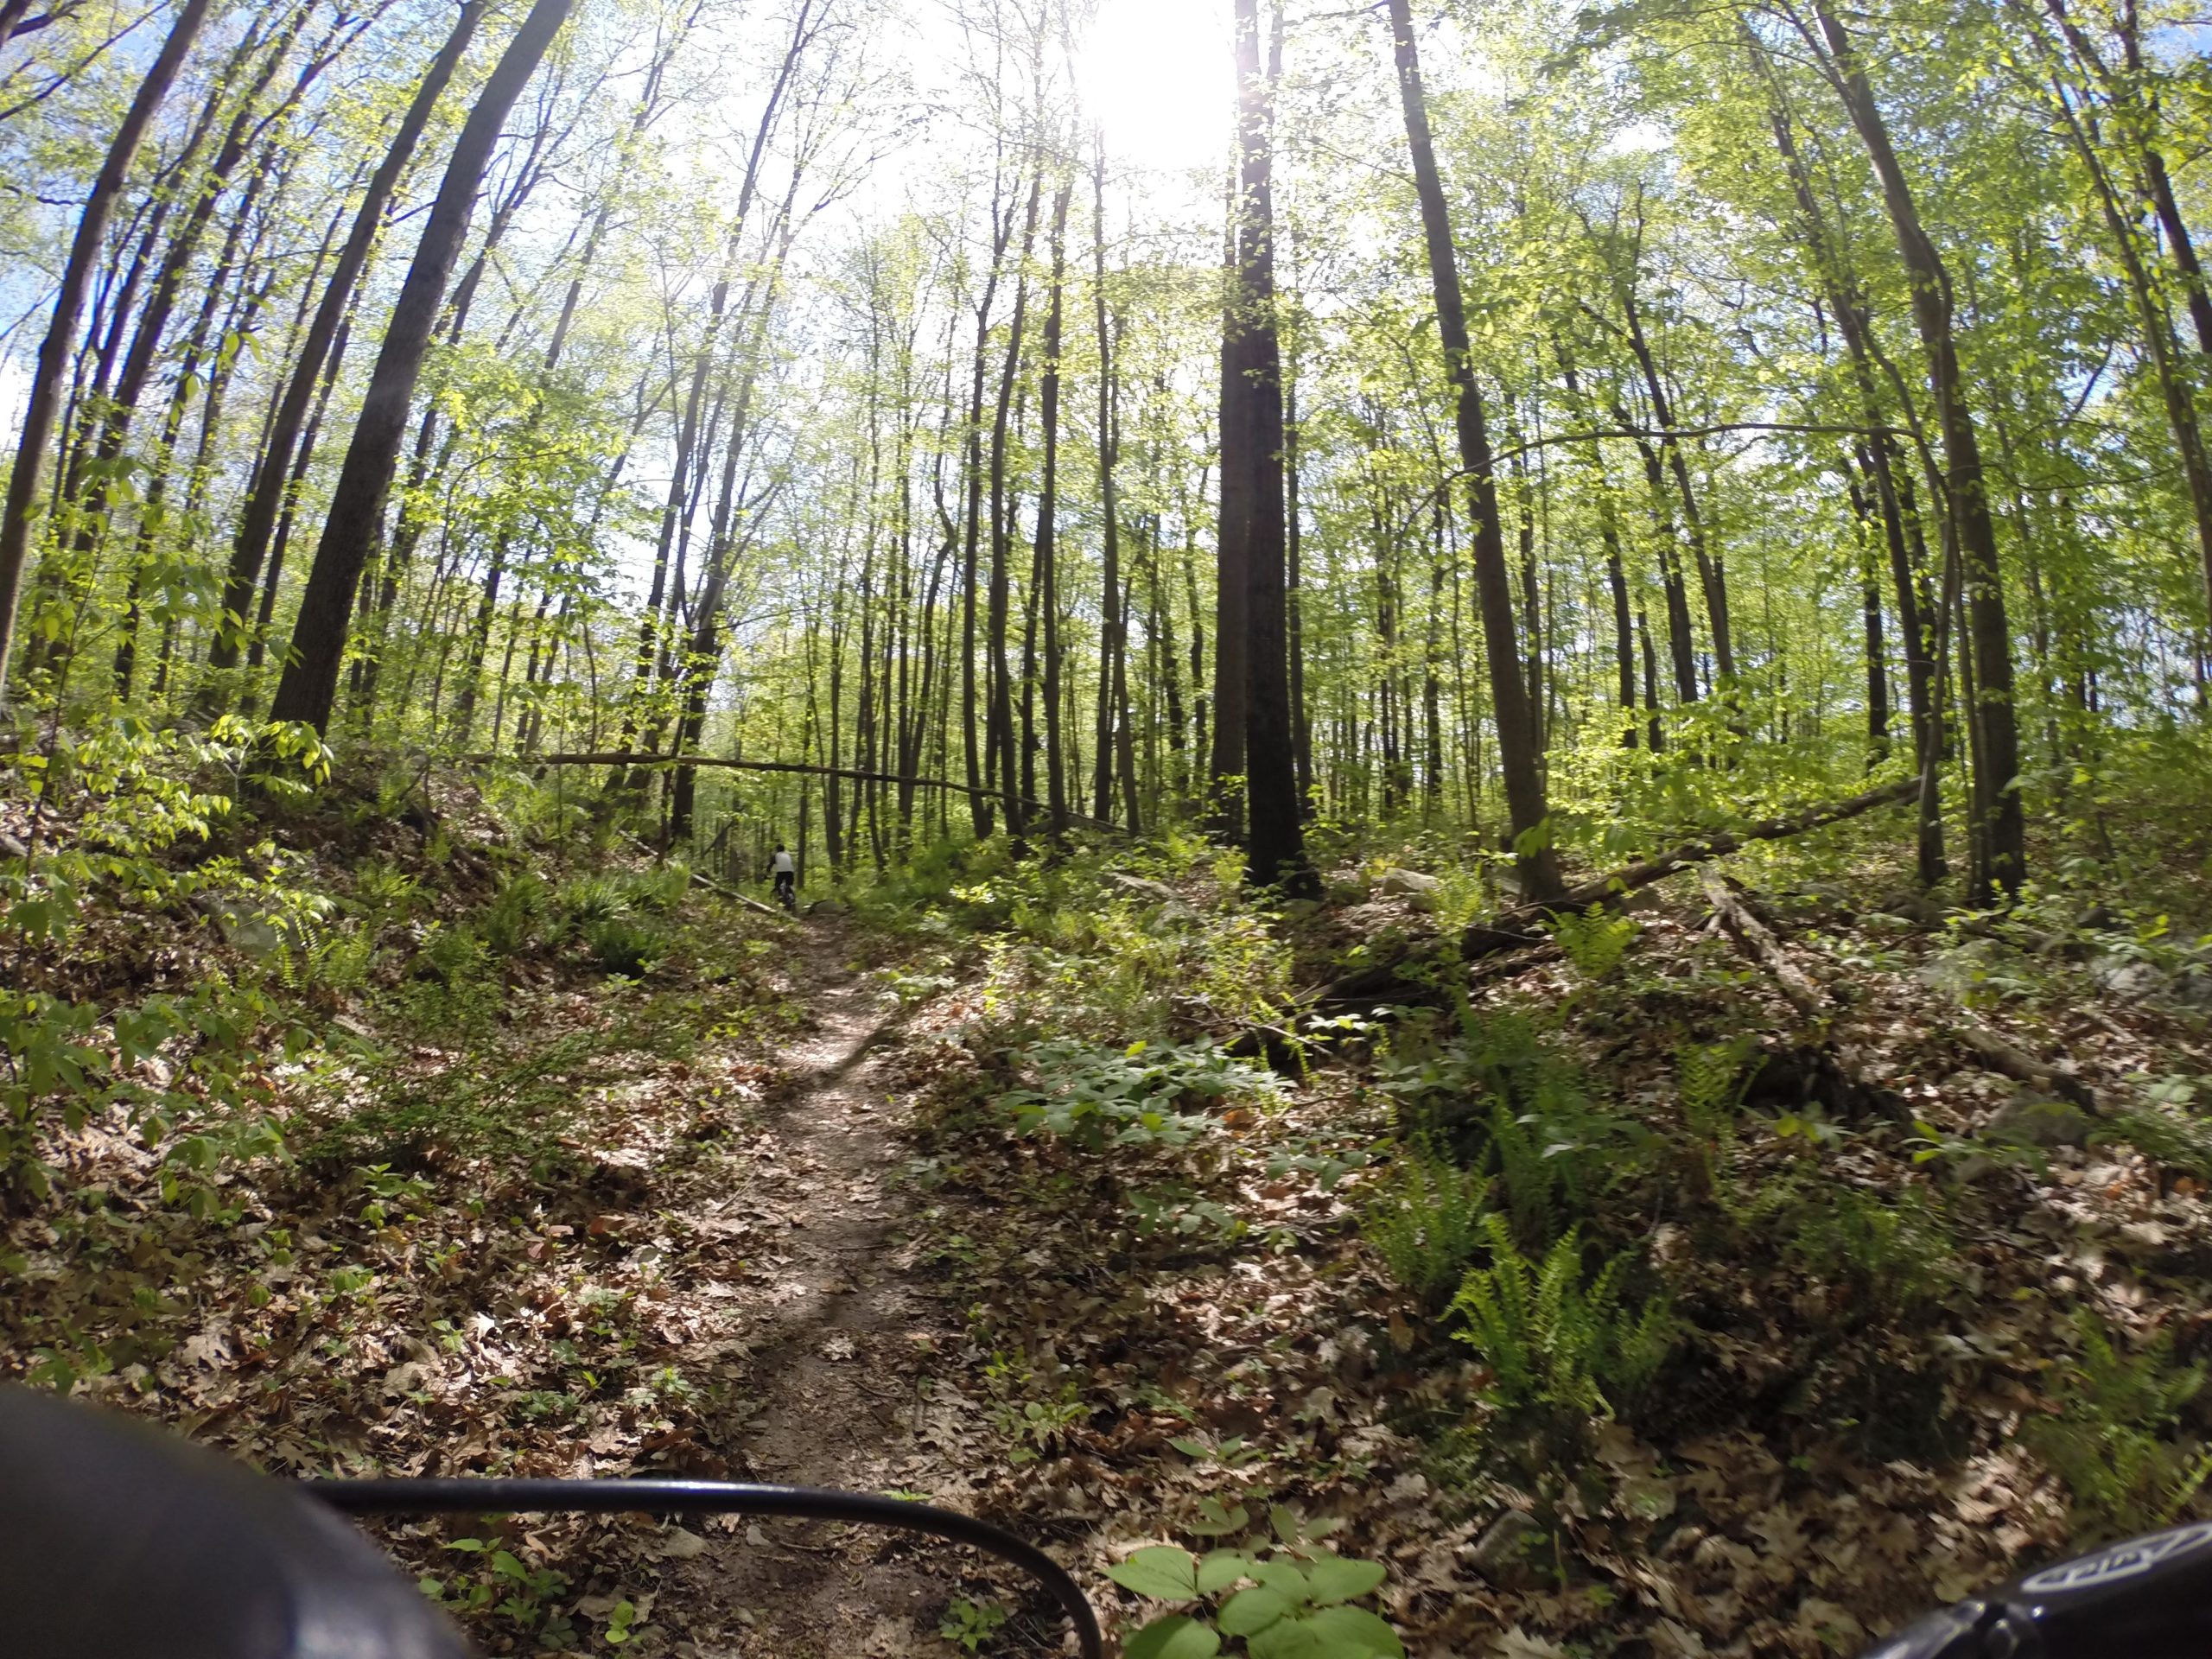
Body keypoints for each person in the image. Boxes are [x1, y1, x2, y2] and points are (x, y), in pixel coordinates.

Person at [771, 842, 797, 911]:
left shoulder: (776, 855)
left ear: (777, 850)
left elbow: (770, 865)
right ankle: (792, 897)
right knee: (789, 885)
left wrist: (767, 872)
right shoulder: (788, 855)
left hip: (781, 872)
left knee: (777, 885)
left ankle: (781, 898)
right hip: (790, 872)